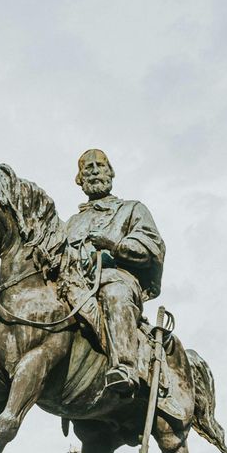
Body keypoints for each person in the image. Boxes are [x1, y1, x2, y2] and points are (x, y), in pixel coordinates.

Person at [61, 148, 166, 399]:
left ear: (111, 172)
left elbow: (152, 247)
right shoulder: (71, 223)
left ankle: (125, 367)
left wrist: (113, 245)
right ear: (80, 179)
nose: (95, 171)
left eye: (100, 165)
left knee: (114, 292)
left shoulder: (131, 209)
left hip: (117, 278)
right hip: (76, 284)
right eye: (88, 168)